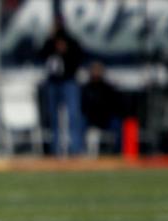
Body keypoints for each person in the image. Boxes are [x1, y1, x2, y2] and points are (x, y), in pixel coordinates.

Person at [39, 16, 85, 156]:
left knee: (73, 116)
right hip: (53, 82)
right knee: (53, 117)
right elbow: (41, 55)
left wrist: (66, 53)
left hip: (68, 81)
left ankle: (75, 149)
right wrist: (51, 41)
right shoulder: (50, 41)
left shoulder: (71, 41)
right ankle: (55, 150)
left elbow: (79, 57)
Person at [81, 61, 122, 156]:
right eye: (94, 70)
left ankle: (118, 152)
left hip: (106, 119)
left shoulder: (107, 87)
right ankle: (81, 151)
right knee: (80, 122)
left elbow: (114, 105)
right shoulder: (86, 88)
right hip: (91, 119)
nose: (96, 72)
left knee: (117, 123)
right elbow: (84, 107)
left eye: (98, 70)